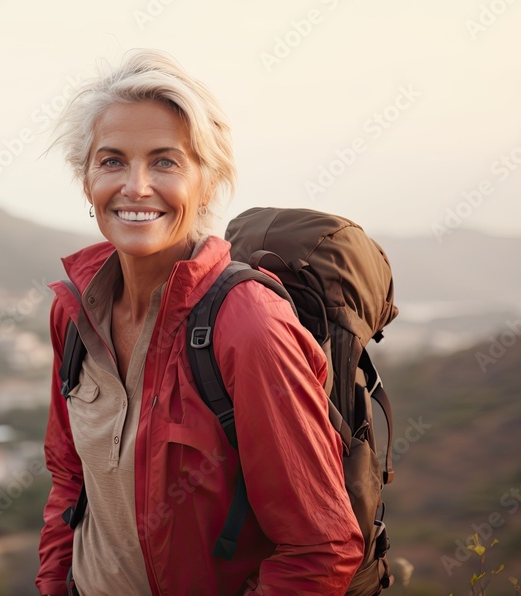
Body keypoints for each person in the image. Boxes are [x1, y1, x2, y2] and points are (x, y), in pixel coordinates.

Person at [36, 49, 363, 596]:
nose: (136, 186)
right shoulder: (75, 311)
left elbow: (322, 547)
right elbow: (69, 476)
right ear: (86, 177)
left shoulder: (248, 325)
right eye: (112, 160)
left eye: (166, 162)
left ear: (207, 183)